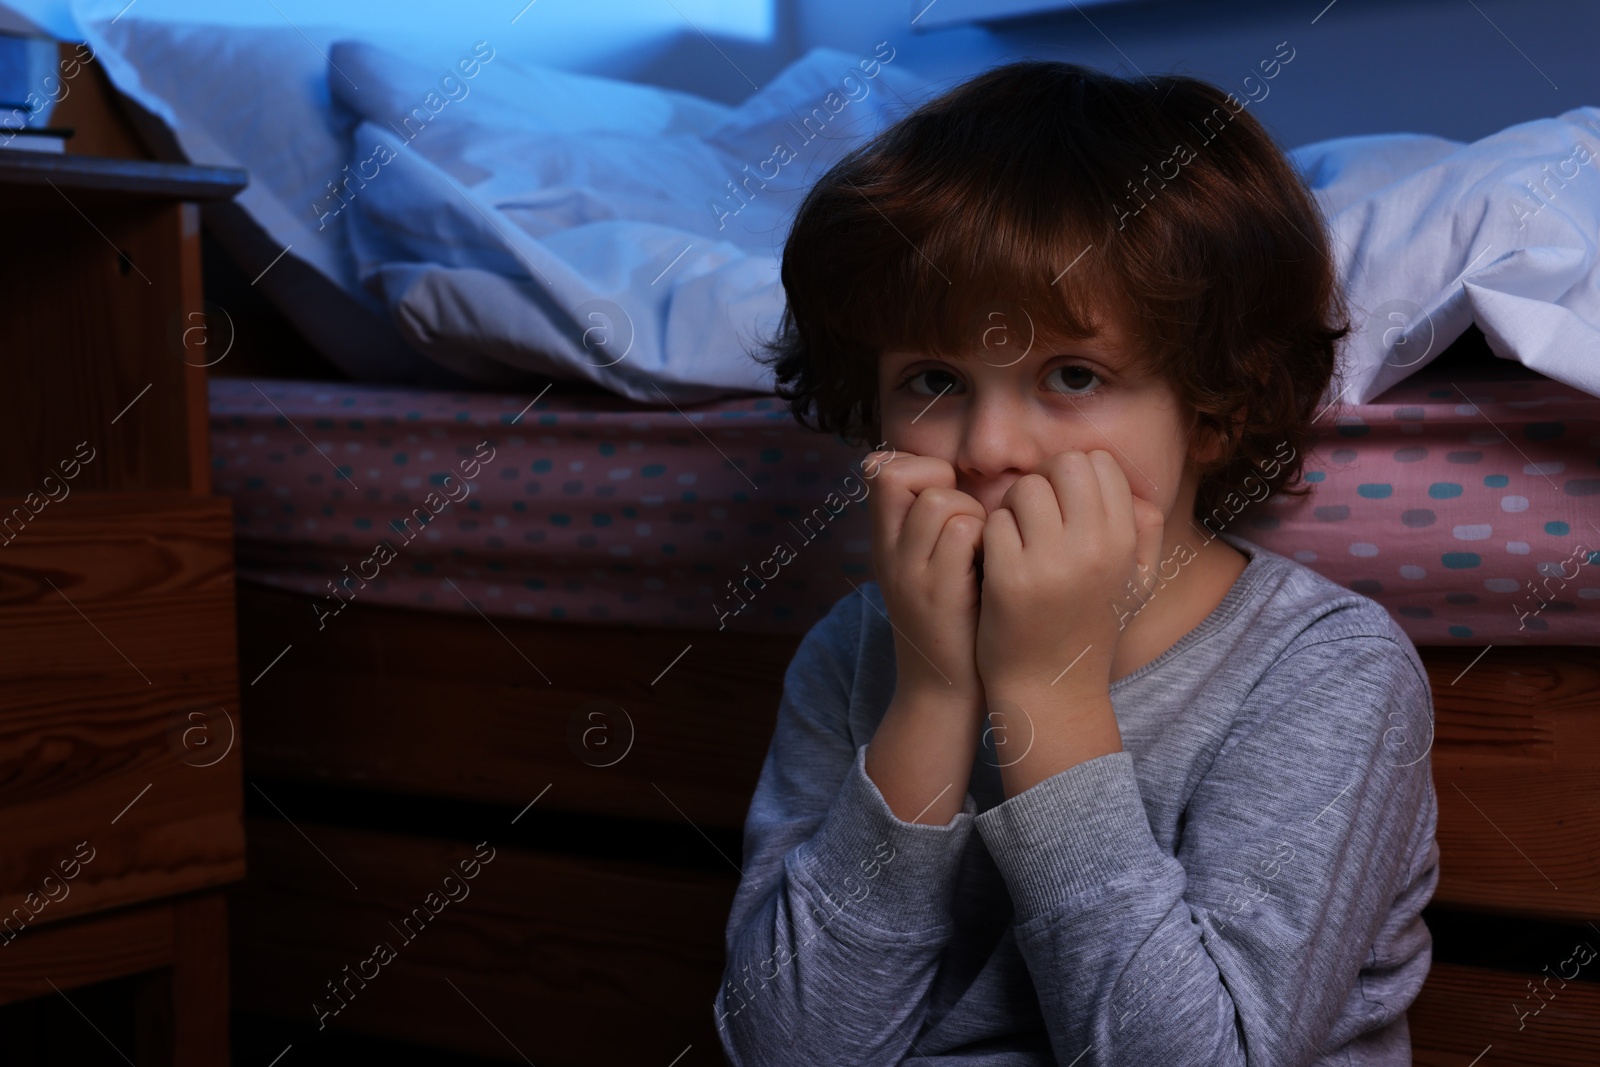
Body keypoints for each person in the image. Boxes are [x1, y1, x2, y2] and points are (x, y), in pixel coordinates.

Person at [716, 59, 1439, 1066]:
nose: (989, 445)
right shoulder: (854, 653)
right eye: (933, 377)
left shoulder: (1329, 672)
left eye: (1071, 374)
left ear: (1215, 407)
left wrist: (1047, 696)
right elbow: (790, 1050)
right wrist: (929, 694)